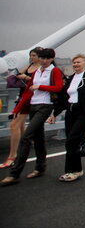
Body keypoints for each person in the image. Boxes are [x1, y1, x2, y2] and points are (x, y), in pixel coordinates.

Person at [1, 48, 63, 185]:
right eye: (42, 58)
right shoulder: (37, 72)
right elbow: (28, 93)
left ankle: (14, 174)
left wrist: (40, 86)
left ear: (52, 59)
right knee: (38, 137)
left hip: (45, 106)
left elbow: (59, 87)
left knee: (26, 137)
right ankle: (40, 168)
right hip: (33, 106)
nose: (44, 60)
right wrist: (17, 109)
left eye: (48, 58)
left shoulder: (55, 71)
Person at [51, 54, 85, 181]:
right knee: (72, 141)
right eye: (74, 62)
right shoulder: (71, 78)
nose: (76, 64)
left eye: (78, 62)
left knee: (72, 140)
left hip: (83, 113)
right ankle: (77, 169)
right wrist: (54, 114)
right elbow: (63, 98)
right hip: (70, 112)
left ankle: (70, 171)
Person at [1, 47, 40, 170]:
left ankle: (13, 156)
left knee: (14, 125)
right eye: (31, 55)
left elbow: (39, 81)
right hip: (22, 97)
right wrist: (19, 76)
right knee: (20, 125)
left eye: (34, 55)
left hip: (31, 98)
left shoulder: (41, 69)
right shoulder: (29, 66)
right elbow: (18, 74)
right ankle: (26, 145)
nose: (31, 57)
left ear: (40, 57)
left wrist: (26, 78)